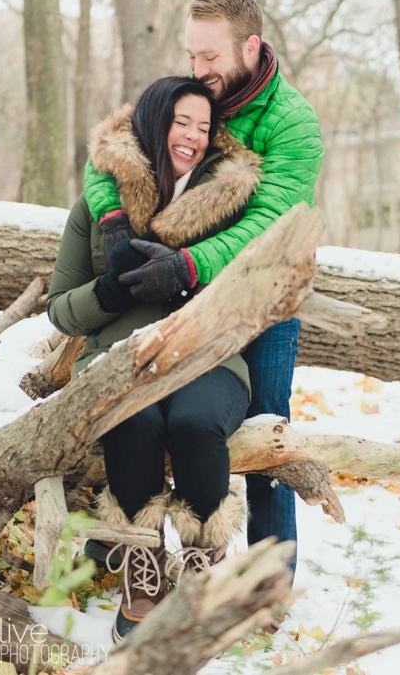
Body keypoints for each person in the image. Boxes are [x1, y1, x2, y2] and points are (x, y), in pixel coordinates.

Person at [82, 0, 324, 580]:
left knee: (265, 432)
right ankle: (150, 554)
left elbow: (266, 226)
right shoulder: (196, 96)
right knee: (171, 418)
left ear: (250, 45)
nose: (198, 69)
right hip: (183, 300)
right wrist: (113, 217)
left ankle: (267, 582)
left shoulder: (293, 122)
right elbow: (109, 148)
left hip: (262, 298)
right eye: (191, 57)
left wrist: (188, 265)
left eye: (209, 57)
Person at [47, 76, 263, 643]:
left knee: (194, 422)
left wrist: (186, 283)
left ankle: (201, 558)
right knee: (134, 421)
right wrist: (112, 293)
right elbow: (61, 311)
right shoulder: (97, 204)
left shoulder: (230, 202)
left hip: (205, 356)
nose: (191, 136)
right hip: (119, 360)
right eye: (179, 121)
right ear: (150, 121)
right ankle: (142, 569)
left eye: (203, 126)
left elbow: (251, 294)